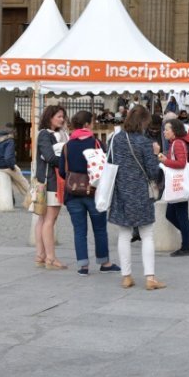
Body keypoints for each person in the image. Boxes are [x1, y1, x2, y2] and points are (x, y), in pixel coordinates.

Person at [107, 105, 165, 290]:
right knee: (147, 234)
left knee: (124, 234)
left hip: (121, 191)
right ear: (143, 122)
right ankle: (150, 278)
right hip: (140, 192)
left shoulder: (115, 140)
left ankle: (126, 276)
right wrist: (156, 155)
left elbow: (110, 163)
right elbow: (153, 172)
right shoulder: (144, 142)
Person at [58, 111, 118, 276]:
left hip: (73, 193)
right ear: (86, 125)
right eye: (92, 122)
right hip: (94, 192)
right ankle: (105, 262)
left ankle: (83, 266)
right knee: (99, 228)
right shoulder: (97, 143)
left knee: (79, 230)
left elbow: (63, 171)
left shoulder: (67, 145)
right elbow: (105, 166)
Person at [34, 105, 69, 270]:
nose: (62, 119)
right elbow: (49, 157)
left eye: (63, 116)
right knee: (49, 219)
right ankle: (50, 257)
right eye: (59, 116)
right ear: (50, 117)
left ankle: (41, 255)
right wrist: (66, 160)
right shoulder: (45, 135)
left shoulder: (53, 134)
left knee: (43, 219)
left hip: (47, 180)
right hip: (50, 181)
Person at [159, 118, 189, 257]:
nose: (164, 132)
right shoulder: (175, 143)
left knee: (181, 215)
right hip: (178, 184)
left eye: (167, 129)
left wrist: (165, 161)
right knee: (171, 214)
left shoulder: (177, 143)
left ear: (174, 131)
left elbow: (181, 163)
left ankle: (186, 246)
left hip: (179, 184)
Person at [0, 122, 31, 204]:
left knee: (16, 181)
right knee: (23, 181)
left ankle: (13, 199)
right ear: (13, 131)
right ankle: (34, 199)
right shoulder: (10, 141)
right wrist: (12, 167)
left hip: (0, 167)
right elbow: (8, 157)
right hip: (7, 166)